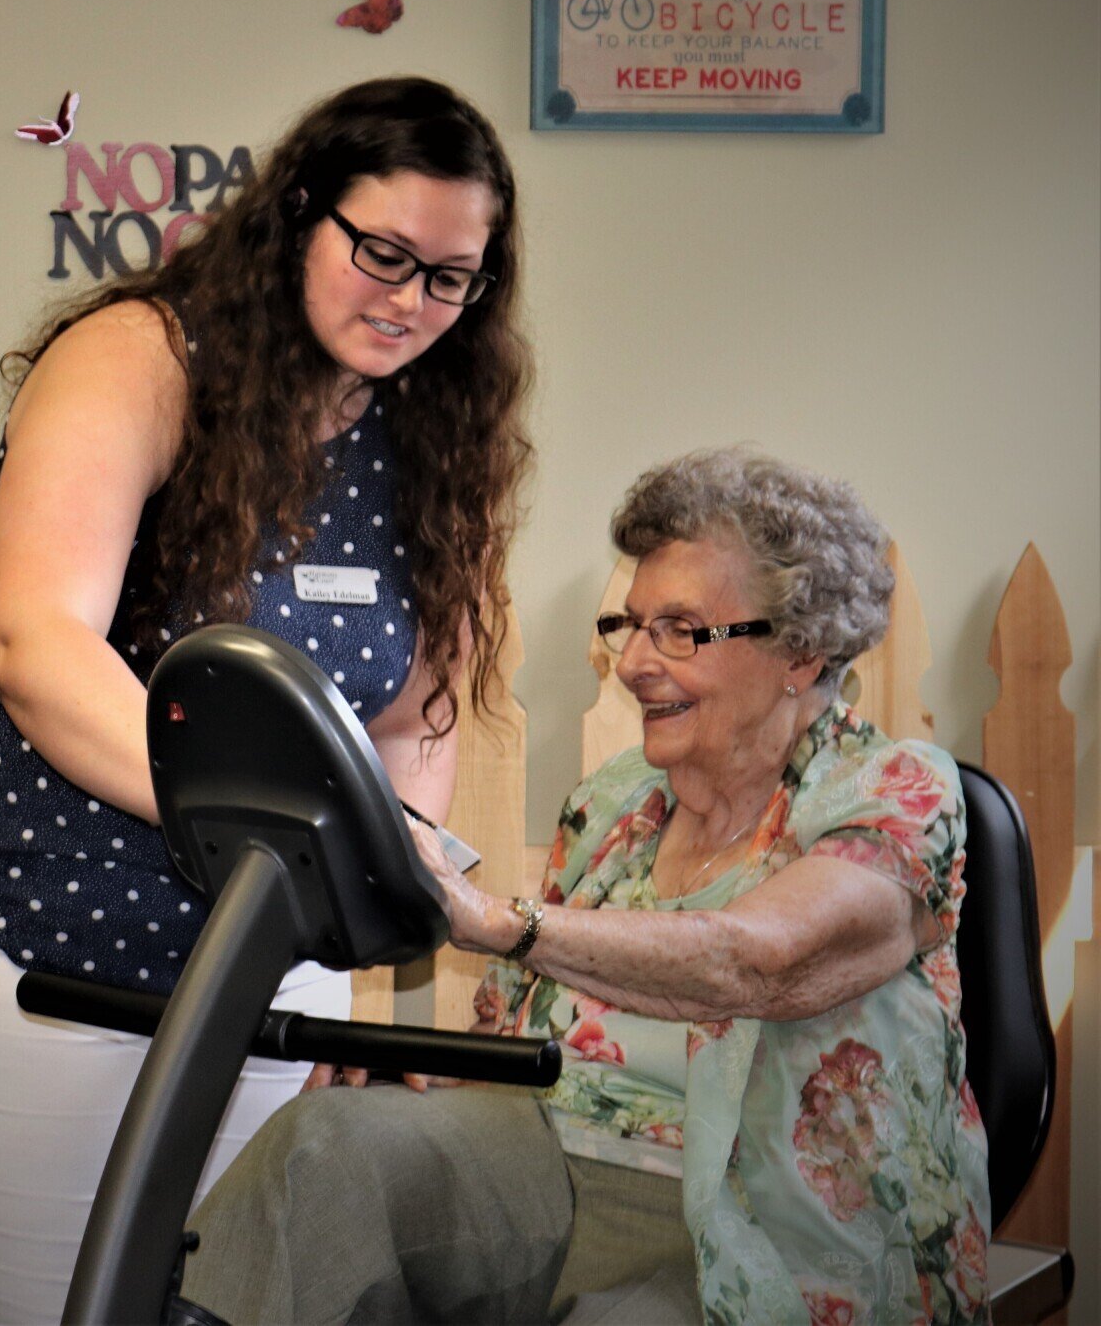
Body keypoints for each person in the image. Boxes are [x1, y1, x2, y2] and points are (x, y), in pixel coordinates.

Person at [0, 77, 535, 1324]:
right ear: (300, 213)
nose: (410, 303)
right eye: (383, 254)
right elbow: (33, 642)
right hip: (36, 945)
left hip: (263, 972)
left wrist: (350, 939)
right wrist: (291, 836)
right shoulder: (139, 359)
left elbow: (410, 723)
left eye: (452, 279)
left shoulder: (441, 434)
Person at [178, 449, 990, 1325]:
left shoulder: (892, 792)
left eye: (681, 629)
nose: (635, 661)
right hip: (547, 1165)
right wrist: (421, 1076)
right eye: (630, 625)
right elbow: (512, 1041)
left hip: (761, 1217)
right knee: (320, 1150)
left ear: (801, 650)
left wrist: (498, 920)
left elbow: (757, 962)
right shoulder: (610, 805)